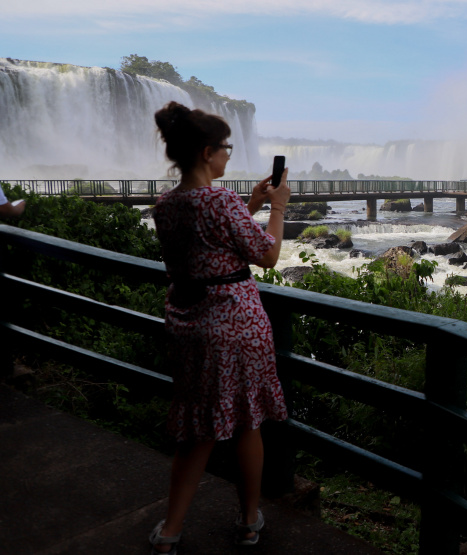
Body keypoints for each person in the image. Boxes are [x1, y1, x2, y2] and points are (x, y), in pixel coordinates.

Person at [148, 101, 291, 554]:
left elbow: (209, 241)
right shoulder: (221, 202)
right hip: (235, 326)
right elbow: (266, 256)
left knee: (197, 429)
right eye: (226, 148)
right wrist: (278, 209)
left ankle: (170, 531)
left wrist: (250, 203)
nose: (230, 154)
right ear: (208, 151)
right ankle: (249, 522)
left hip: (189, 323)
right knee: (249, 422)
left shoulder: (166, 205)